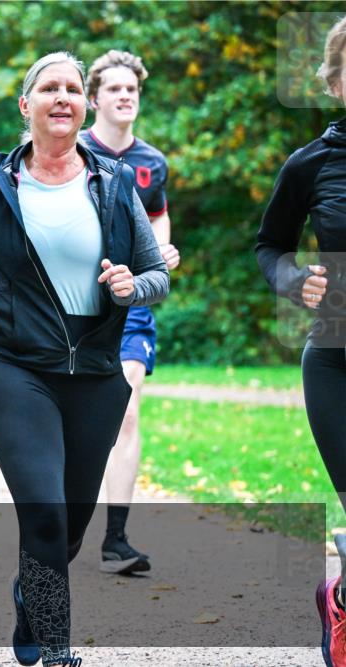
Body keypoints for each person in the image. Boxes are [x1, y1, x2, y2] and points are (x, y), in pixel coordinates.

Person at [0, 52, 169, 666]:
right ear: (27, 105)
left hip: (94, 372)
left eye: (72, 88)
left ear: (85, 107)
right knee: (43, 513)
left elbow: (157, 275)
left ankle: (31, 595)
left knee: (67, 531)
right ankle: (58, 649)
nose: (62, 96)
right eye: (49, 88)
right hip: (12, 364)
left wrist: (132, 286)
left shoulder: (114, 183)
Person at [255, 15, 346, 667]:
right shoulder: (311, 163)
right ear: (336, 81)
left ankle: (339, 592)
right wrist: (293, 280)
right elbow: (270, 244)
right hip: (336, 362)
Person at [79, 50, 181, 575]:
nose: (125, 96)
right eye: (114, 89)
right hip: (73, 305)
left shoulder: (152, 162)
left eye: (132, 89)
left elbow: (158, 217)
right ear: (94, 99)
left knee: (127, 409)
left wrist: (160, 252)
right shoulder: (72, 150)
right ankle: (59, 525)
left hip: (130, 302)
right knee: (75, 415)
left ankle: (115, 540)